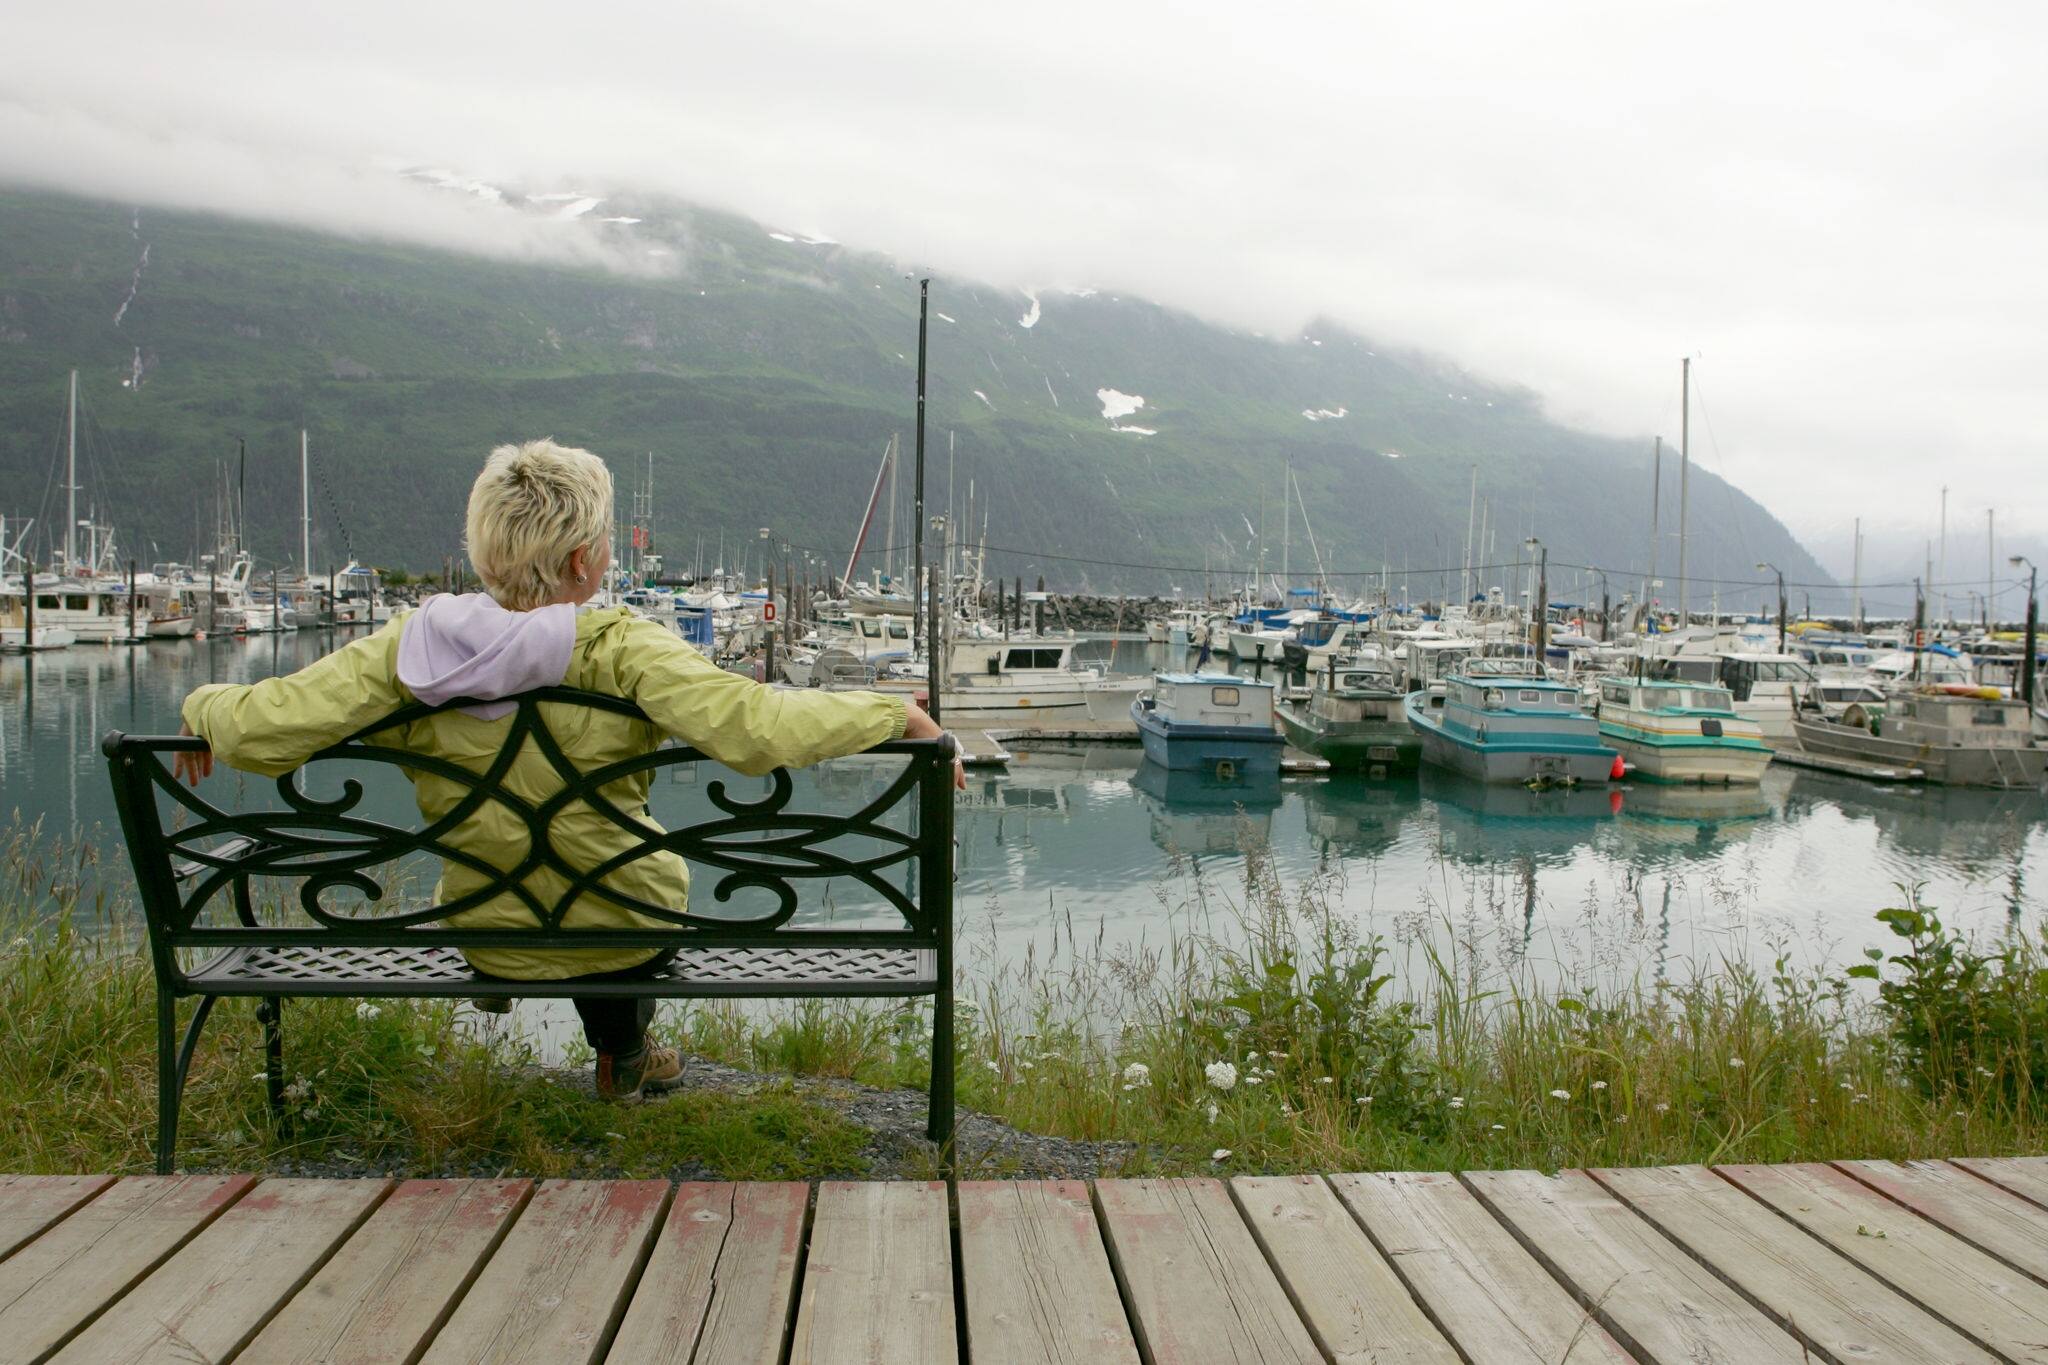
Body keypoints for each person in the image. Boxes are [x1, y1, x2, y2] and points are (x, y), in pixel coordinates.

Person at [174, 439, 962, 1101]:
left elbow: (268, 724)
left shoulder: (409, 646)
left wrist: (205, 706)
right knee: (624, 887)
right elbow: (756, 729)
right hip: (620, 924)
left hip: (487, 920)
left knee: (525, 881)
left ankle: (508, 974)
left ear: (483, 548)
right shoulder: (619, 645)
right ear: (585, 561)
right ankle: (622, 1048)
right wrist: (896, 715)